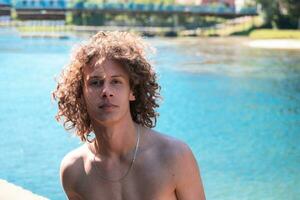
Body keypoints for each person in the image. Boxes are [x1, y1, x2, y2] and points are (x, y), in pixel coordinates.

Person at [53, 31, 206, 200]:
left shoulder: (174, 156)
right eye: (95, 82)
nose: (106, 92)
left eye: (116, 81)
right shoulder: (74, 170)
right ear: (80, 93)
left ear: (132, 91)